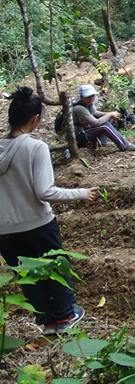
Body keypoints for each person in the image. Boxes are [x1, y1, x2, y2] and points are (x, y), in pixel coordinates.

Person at [1, 87, 97, 335]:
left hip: (5, 230)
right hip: (37, 223)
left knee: (28, 276)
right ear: (35, 119)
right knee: (55, 267)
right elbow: (45, 191)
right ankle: (65, 316)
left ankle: (46, 321)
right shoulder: (35, 148)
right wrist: (80, 193)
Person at [72, 85, 135, 151]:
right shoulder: (79, 108)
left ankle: (102, 142)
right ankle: (126, 146)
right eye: (88, 97)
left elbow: (95, 113)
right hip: (80, 136)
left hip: (86, 129)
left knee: (108, 118)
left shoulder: (89, 104)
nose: (91, 98)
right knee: (105, 126)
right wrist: (110, 114)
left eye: (92, 96)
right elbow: (96, 123)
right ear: (82, 97)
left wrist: (111, 114)